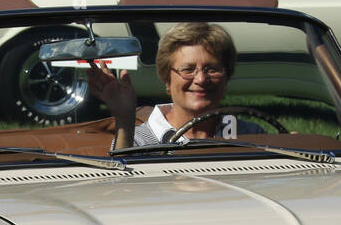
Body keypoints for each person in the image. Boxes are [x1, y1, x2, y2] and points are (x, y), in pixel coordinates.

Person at [88, 21, 263, 151]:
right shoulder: (138, 141)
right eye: (188, 69)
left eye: (212, 69)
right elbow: (122, 189)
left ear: (227, 77)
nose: (201, 79)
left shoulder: (250, 135)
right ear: (167, 79)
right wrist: (124, 119)